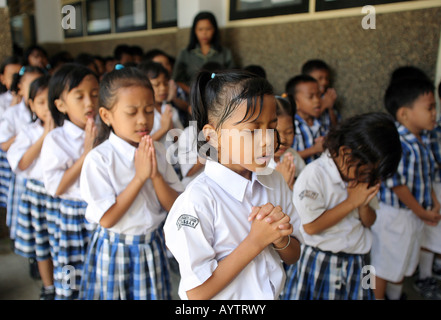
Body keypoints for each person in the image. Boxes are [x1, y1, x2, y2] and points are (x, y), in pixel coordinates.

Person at [164, 70, 302, 300]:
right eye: (252, 130)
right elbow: (197, 293)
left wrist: (280, 239)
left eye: (272, 127)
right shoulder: (197, 202)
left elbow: (293, 254)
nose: (267, 140)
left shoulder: (274, 180)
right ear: (212, 136)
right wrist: (256, 241)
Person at [78, 67, 184, 300]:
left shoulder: (157, 150)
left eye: (148, 111)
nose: (142, 120)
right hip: (116, 249)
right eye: (131, 112)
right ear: (106, 116)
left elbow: (175, 206)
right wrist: (139, 177)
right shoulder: (99, 159)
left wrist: (155, 175)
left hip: (151, 245)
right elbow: (107, 218)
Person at [283, 112, 402, 300]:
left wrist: (363, 203)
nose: (368, 177)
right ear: (347, 152)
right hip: (320, 260)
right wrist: (352, 202)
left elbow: (370, 221)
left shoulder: (365, 178)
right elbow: (311, 227)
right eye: (366, 171)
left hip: (360, 261)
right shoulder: (315, 174)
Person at [371, 77, 441, 300]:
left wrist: (432, 201)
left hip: (411, 215)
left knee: (400, 260)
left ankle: (394, 295)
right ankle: (375, 297)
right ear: (404, 113)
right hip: (394, 216)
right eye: (429, 108)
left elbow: (425, 175)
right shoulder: (400, 143)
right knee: (382, 264)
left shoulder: (423, 139)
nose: (434, 113)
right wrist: (421, 211)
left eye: (434, 107)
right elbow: (396, 183)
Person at [41, 64, 100, 300]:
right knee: (72, 275)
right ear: (61, 105)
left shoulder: (107, 130)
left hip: (100, 213)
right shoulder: (56, 139)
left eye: (95, 94)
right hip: (73, 217)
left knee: (98, 274)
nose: (89, 102)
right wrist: (86, 153)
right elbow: (56, 187)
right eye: (80, 96)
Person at [7, 75, 59, 300]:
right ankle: (48, 286)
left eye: (50, 101)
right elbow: (21, 163)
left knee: (62, 244)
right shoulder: (28, 132)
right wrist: (45, 135)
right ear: (31, 105)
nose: (47, 108)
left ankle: (68, 284)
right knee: (43, 245)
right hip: (38, 195)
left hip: (60, 195)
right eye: (40, 102)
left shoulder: (67, 129)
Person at [0, 66, 45, 243]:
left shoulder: (51, 116)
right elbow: (3, 145)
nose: (37, 88)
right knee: (28, 225)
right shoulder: (13, 113)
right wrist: (27, 134)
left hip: (44, 179)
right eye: (32, 85)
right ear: (20, 89)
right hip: (25, 177)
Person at [172, 11, 235, 95]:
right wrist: (192, 92)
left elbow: (233, 77)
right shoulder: (185, 53)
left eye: (208, 29)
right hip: (192, 97)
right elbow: (177, 79)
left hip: (220, 96)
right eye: (200, 29)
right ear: (195, 31)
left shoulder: (225, 53)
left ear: (214, 30)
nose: (204, 33)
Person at [418, 80, 441, 299]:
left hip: (432, 189)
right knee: (431, 233)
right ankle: (424, 275)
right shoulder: (431, 132)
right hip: (434, 188)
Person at [285, 75, 326, 164]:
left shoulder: (320, 121)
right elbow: (286, 156)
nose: (317, 100)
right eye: (310, 97)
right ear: (295, 102)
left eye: (319, 95)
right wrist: (314, 149)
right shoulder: (292, 126)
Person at [267, 96, 305, 190]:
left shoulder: (293, 155)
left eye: (289, 132)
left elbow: (305, 186)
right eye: (276, 132)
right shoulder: (257, 164)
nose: (283, 140)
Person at [0, 56, 22, 208]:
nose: (16, 81)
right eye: (12, 76)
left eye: (19, 76)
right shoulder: (2, 101)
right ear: (2, 79)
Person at [301, 59, 340, 133]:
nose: (324, 82)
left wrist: (330, 108)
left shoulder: (328, 97)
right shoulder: (302, 98)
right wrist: (325, 105)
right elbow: (305, 118)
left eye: (327, 78)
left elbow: (336, 126)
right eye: (320, 78)